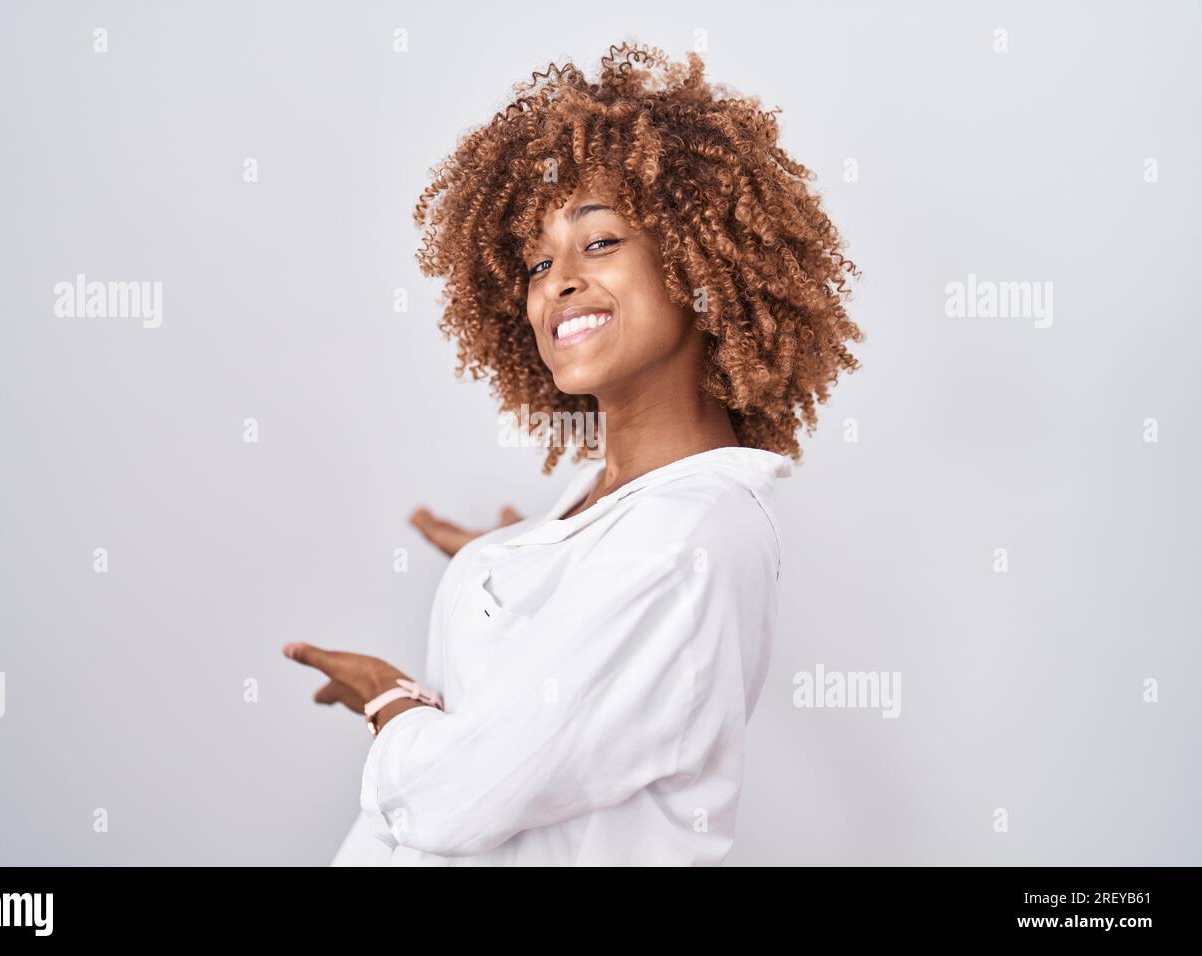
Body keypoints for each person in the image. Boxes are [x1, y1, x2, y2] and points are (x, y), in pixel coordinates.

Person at [283, 38, 863, 865]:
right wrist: (499, 560)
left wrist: (390, 700)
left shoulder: (684, 543)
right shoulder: (619, 505)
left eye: (599, 243)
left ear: (700, 266)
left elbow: (453, 803)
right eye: (535, 260)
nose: (556, 280)